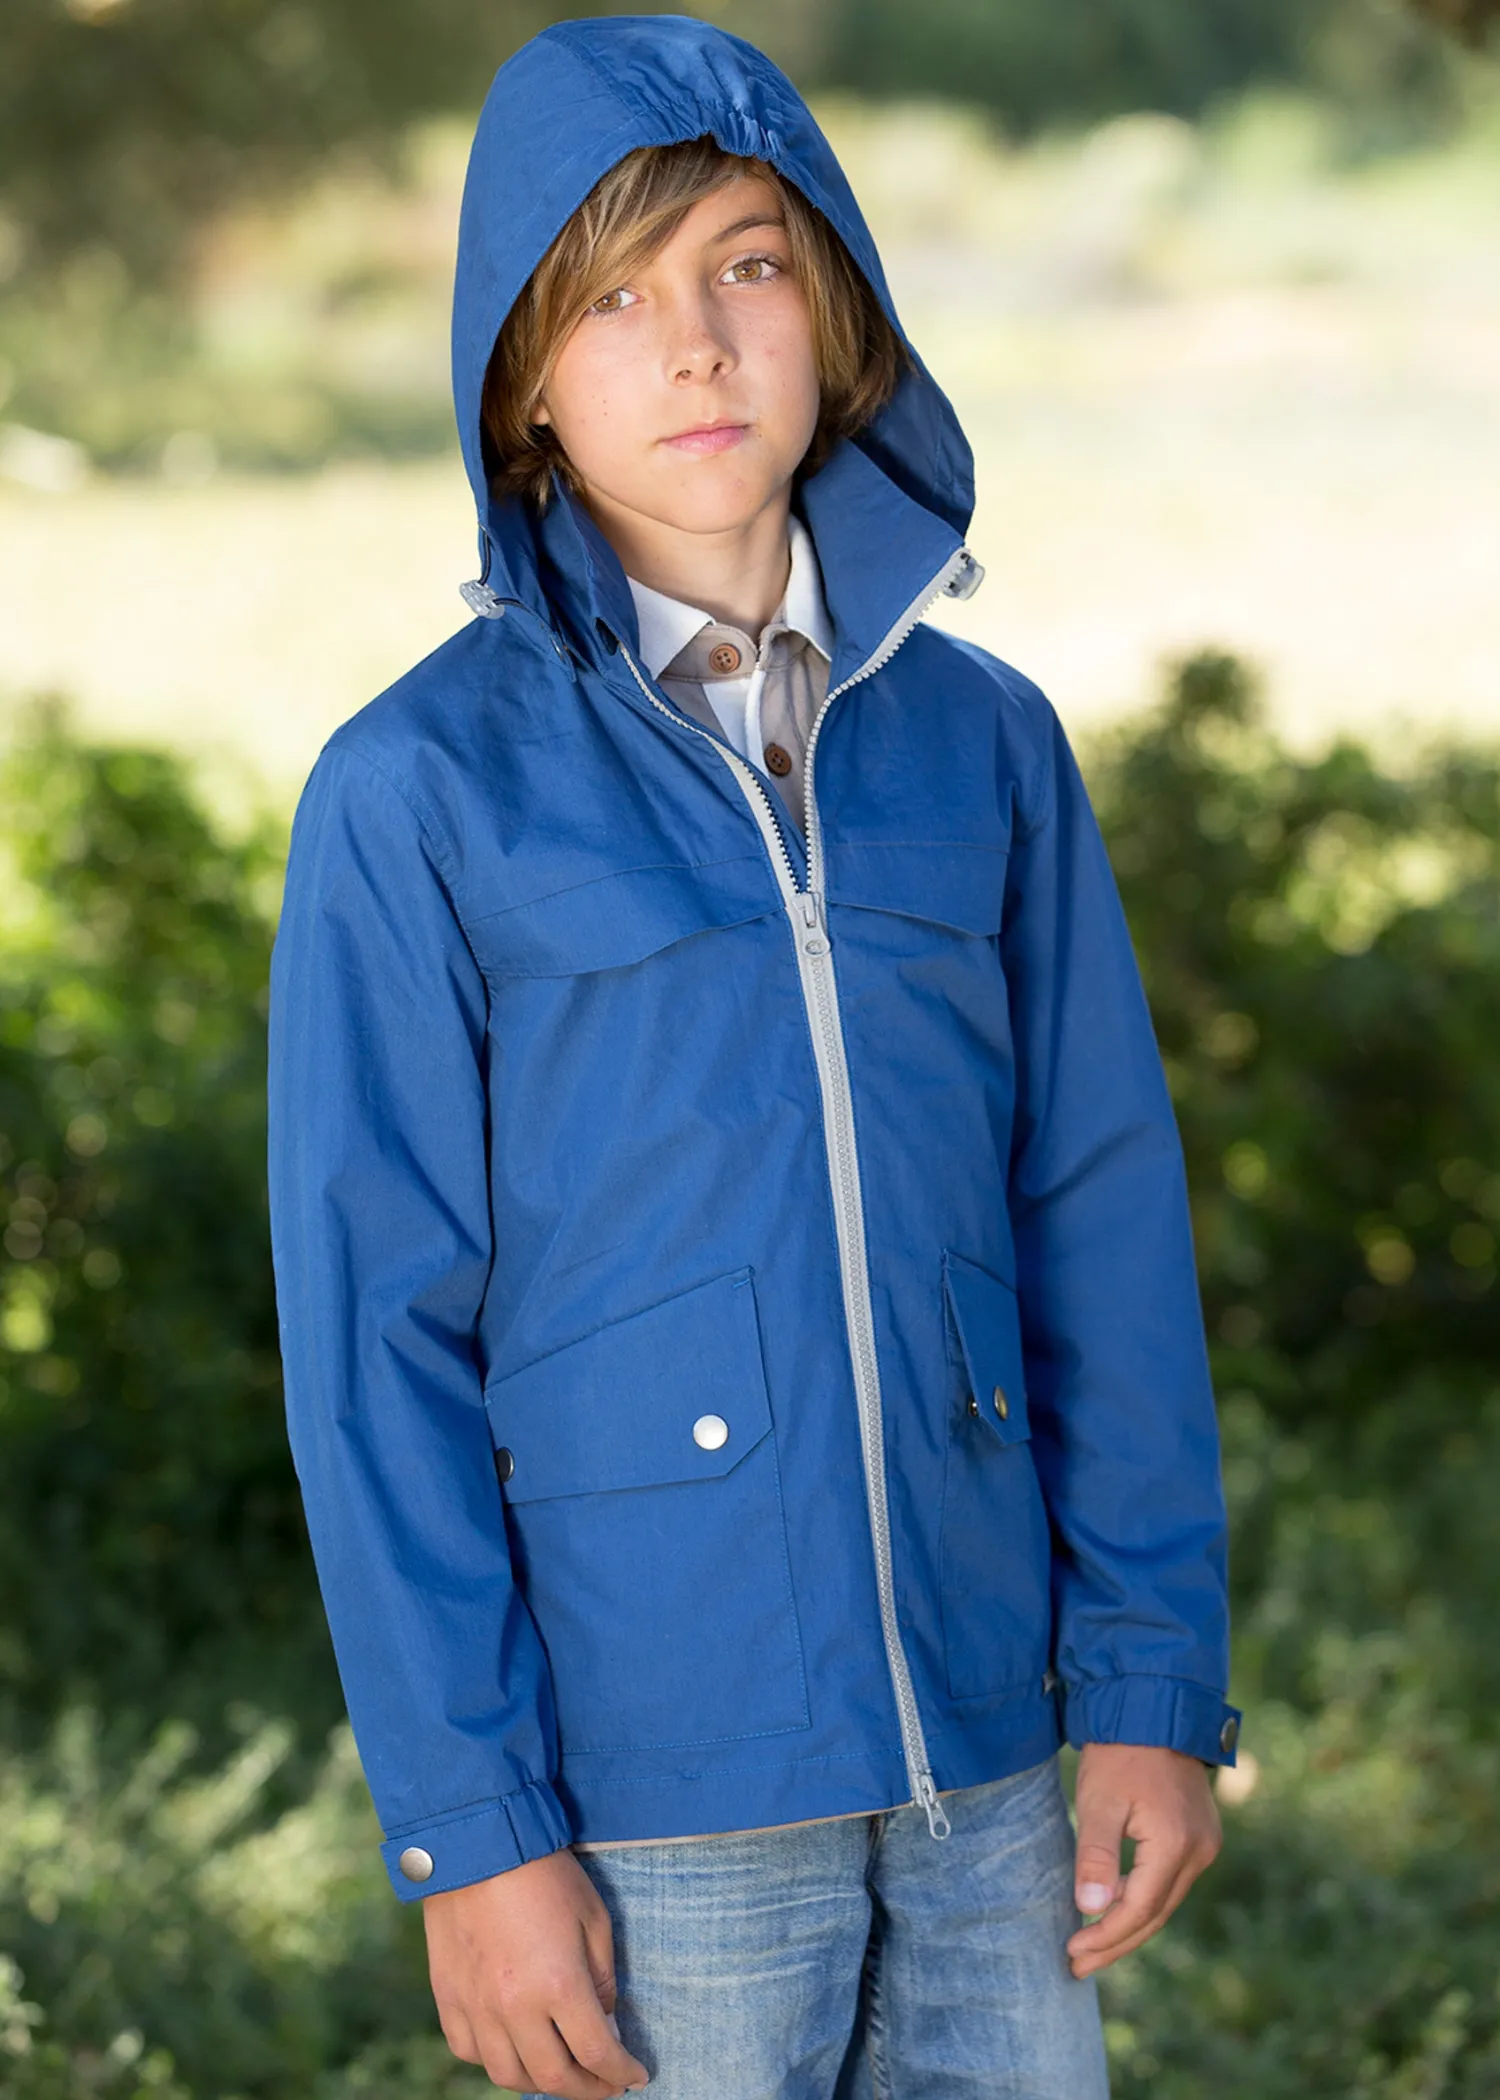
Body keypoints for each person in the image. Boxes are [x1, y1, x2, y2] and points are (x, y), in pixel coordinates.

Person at [266, 15, 1241, 2099]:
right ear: (523, 383)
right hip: (660, 1807)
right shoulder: (417, 791)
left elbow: (1100, 1224)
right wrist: (476, 1833)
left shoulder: (987, 748)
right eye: (611, 297)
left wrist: (1153, 1682)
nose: (696, 344)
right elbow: (375, 1342)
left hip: (994, 1763)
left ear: (842, 316)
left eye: (746, 266)